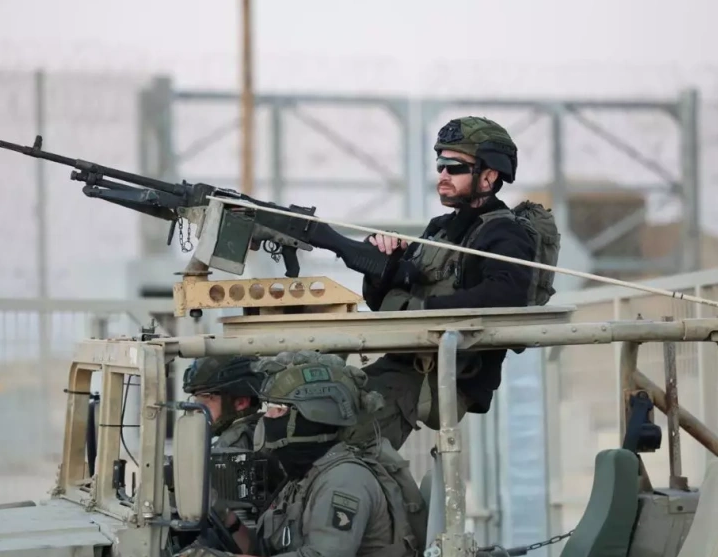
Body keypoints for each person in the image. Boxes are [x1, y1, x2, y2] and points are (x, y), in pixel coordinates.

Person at [349, 116, 537, 451]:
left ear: (489, 176)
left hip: (439, 375)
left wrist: (424, 310)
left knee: (347, 441)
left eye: (455, 167)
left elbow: (506, 295)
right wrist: (383, 266)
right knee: (318, 402)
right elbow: (385, 301)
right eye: (440, 165)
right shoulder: (440, 229)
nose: (443, 175)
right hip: (402, 363)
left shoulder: (504, 233)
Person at [176, 351, 419, 557]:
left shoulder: (345, 480)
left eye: (277, 409)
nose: (266, 418)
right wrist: (225, 517)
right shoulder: (302, 476)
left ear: (311, 416)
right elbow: (263, 549)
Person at [183, 355, 263, 450]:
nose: (197, 410)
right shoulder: (260, 432)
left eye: (205, 398)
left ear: (240, 402)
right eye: (196, 399)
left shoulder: (233, 442)